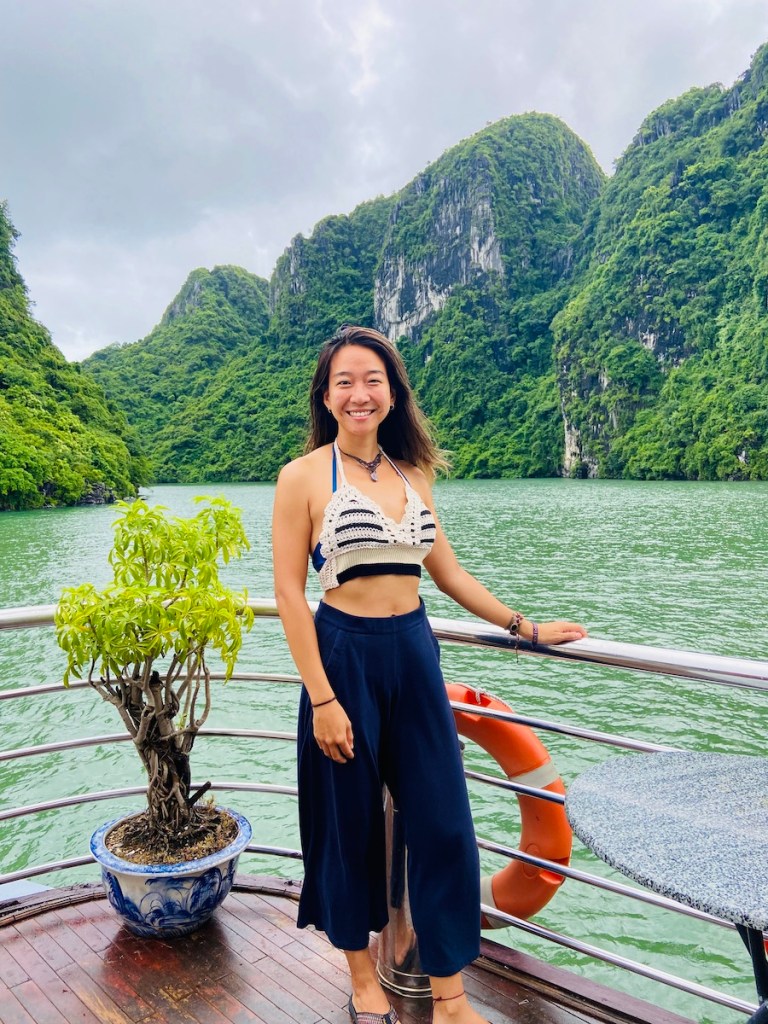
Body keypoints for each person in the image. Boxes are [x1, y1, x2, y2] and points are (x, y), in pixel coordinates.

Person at [272, 324, 587, 1024]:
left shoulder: (414, 474)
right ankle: (360, 972)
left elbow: (445, 573)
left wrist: (523, 626)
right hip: (343, 655)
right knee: (348, 822)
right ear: (326, 395)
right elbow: (290, 594)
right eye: (345, 381)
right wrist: (322, 696)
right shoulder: (302, 477)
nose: (360, 392)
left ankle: (449, 996)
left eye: (373, 379)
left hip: (415, 654)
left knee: (444, 824)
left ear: (392, 391)